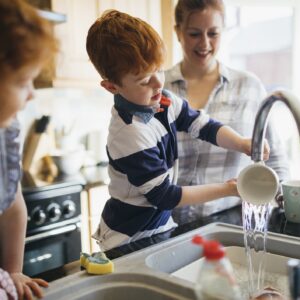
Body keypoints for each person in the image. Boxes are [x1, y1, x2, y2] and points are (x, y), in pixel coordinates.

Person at [86, 9, 269, 251]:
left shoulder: (162, 101)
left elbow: (204, 126)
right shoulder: (129, 134)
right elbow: (166, 196)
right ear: (111, 87)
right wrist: (229, 189)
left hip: (159, 228)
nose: (158, 83)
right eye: (144, 80)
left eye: (159, 70)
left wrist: (243, 143)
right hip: (129, 239)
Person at [164, 0, 289, 218]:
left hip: (231, 219)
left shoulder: (248, 87)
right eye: (194, 33)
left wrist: (284, 205)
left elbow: (276, 160)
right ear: (178, 32)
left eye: (213, 33)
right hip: (168, 224)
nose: (204, 43)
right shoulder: (158, 88)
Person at [0, 0, 57, 299]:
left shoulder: (6, 129)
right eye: (23, 81)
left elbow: (10, 202)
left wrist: (13, 270)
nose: (32, 93)